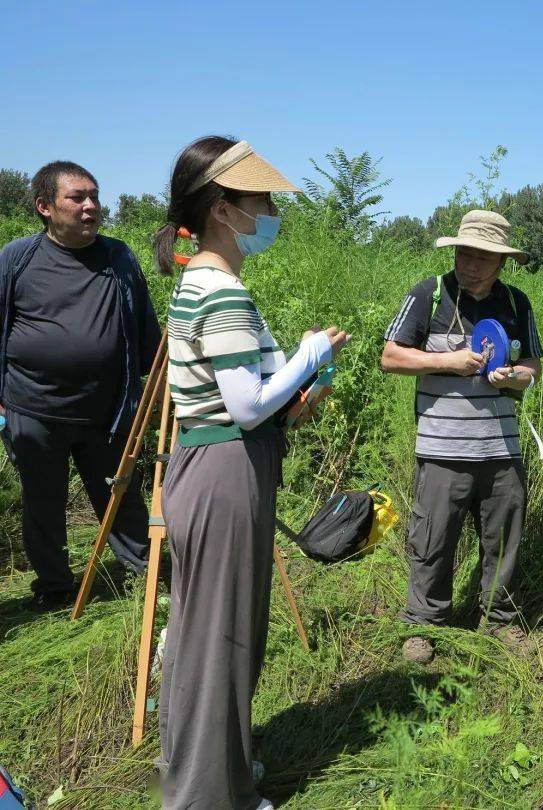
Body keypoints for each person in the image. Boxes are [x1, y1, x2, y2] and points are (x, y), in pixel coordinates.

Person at [152, 136, 349, 810]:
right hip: (223, 474)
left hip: (217, 461)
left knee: (214, 633)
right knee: (221, 641)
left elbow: (239, 404)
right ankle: (208, 798)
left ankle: (219, 771)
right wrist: (309, 351)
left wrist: (294, 398)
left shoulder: (201, 284)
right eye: (259, 199)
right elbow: (245, 403)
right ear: (222, 211)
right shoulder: (223, 291)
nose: (270, 211)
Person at [381, 209, 543, 665]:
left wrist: (515, 378)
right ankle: (422, 624)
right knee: (432, 538)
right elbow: (390, 356)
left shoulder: (516, 305)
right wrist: (446, 363)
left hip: (502, 446)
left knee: (504, 536)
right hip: (442, 446)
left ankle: (500, 621)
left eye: (482, 258)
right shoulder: (429, 295)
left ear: (501, 262)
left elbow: (534, 366)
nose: (469, 265)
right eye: (463, 255)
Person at [0, 161, 160, 612]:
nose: (90, 206)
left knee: (121, 492)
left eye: (94, 195)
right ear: (45, 207)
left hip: (106, 410)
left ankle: (142, 576)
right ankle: (54, 587)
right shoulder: (17, 258)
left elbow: (143, 325)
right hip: (33, 409)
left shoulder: (119, 256)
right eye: (77, 197)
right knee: (42, 502)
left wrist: (157, 377)